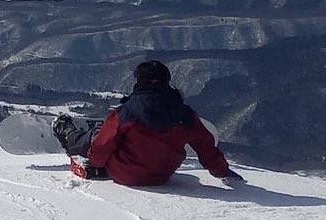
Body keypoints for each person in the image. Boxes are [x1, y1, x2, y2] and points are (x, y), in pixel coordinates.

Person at [61, 59, 244, 187]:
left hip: (123, 174)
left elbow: (102, 147)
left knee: (98, 135)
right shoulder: (185, 114)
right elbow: (207, 148)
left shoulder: (126, 113)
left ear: (138, 81)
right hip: (162, 176)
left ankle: (67, 133)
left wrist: (95, 162)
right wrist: (223, 172)